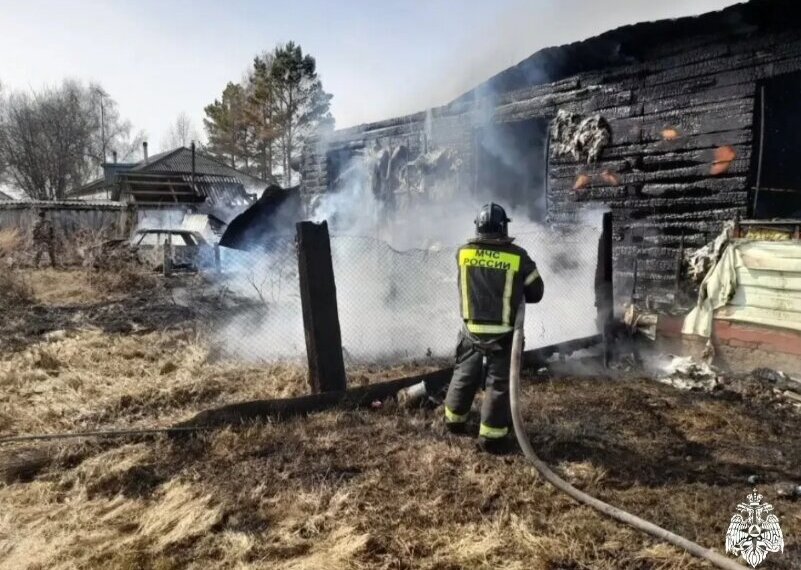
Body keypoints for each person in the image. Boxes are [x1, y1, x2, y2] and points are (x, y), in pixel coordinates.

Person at [444, 203, 544, 453]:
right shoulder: (518, 256)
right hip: (503, 335)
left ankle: (454, 421)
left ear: (477, 227)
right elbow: (537, 292)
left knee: (464, 375)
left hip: (470, 333)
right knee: (499, 385)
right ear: (503, 227)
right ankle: (492, 437)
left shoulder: (463, 253)